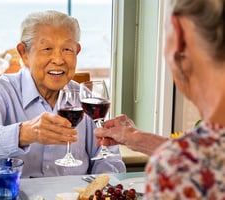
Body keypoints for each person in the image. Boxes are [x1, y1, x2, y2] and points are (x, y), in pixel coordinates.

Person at [0, 10, 126, 180]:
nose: (58, 59)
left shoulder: (85, 98)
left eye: (67, 49)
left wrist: (101, 186)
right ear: (24, 53)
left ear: (77, 51)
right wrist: (24, 133)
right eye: (47, 48)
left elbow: (109, 159)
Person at [94, 0, 225, 199]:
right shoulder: (191, 157)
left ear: (179, 33)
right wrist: (136, 137)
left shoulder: (178, 168)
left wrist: (173, 157)